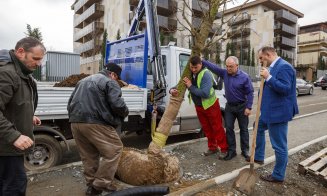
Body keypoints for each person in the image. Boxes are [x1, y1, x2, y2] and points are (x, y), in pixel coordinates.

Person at [67, 63, 129, 195]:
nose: (116, 80)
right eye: (117, 77)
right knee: (114, 150)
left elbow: (70, 102)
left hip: (76, 123)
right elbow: (117, 104)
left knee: (89, 155)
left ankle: (91, 185)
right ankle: (99, 185)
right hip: (96, 123)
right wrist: (125, 112)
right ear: (113, 74)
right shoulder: (110, 82)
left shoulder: (82, 81)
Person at [0, 37, 45, 195]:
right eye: (36, 58)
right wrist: (14, 136)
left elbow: (12, 103)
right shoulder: (7, 73)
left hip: (9, 147)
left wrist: (27, 115)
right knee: (14, 187)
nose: (39, 64)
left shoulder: (21, 73)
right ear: (20, 52)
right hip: (6, 148)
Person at [251, 46, 298, 183]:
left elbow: (285, 88)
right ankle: (258, 156)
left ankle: (278, 175)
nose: (260, 61)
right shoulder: (272, 67)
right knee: (257, 126)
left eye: (261, 58)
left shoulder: (284, 67)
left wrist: (268, 77)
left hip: (278, 113)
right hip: (268, 110)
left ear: (269, 54)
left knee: (279, 145)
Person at [170, 56, 228, 157]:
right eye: (191, 67)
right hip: (199, 106)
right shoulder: (190, 73)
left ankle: (224, 149)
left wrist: (190, 87)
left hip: (210, 105)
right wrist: (171, 90)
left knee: (217, 127)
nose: (193, 70)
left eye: (195, 67)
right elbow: (180, 84)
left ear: (201, 64)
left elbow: (205, 93)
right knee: (206, 128)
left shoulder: (206, 74)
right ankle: (212, 148)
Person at [202, 56, 254, 161]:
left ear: (237, 66)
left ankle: (245, 151)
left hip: (242, 106)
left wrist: (248, 107)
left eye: (231, 66)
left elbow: (250, 93)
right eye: (227, 66)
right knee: (229, 129)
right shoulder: (225, 73)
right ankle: (232, 151)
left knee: (244, 129)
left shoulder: (245, 77)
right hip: (229, 107)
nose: (228, 68)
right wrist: (202, 60)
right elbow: (214, 68)